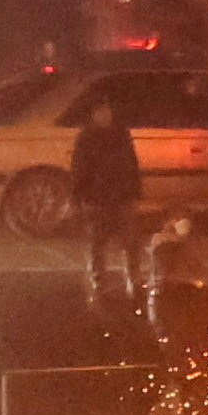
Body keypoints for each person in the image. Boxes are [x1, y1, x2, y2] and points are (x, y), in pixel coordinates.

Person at [69, 103, 144, 304]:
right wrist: (79, 197)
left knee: (129, 242)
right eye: (101, 111)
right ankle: (99, 282)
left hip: (121, 197)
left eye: (108, 110)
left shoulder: (121, 134)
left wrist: (135, 192)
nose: (106, 115)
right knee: (97, 243)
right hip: (97, 198)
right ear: (94, 114)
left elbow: (131, 163)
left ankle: (132, 279)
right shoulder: (86, 137)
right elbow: (79, 168)